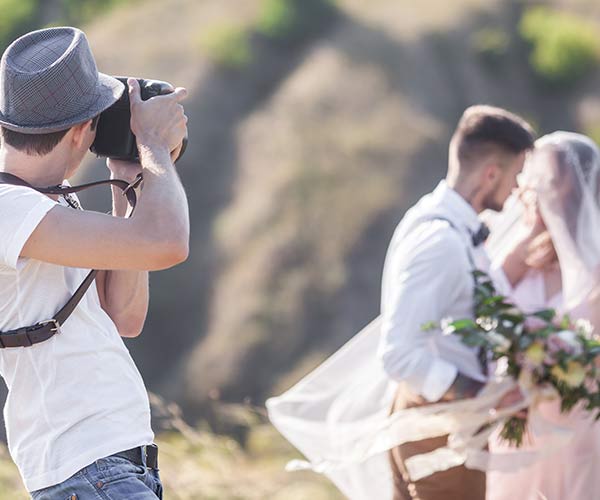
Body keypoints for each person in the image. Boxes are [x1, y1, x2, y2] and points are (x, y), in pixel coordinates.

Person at [267, 105, 535, 500]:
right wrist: (482, 394)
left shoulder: (453, 228)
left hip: (441, 423)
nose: (516, 190)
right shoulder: (439, 241)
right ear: (491, 173)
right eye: (515, 177)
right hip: (436, 428)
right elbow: (399, 354)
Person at [0, 27, 188, 498]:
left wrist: (129, 180)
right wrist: (155, 146)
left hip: (113, 463)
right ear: (83, 129)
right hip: (87, 467)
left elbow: (124, 315)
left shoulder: (45, 206)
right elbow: (167, 243)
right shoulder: (10, 209)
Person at [485, 132, 600, 500]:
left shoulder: (594, 272)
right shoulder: (524, 260)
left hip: (579, 431)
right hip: (520, 429)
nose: (525, 193)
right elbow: (485, 300)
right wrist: (533, 229)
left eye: (539, 185)